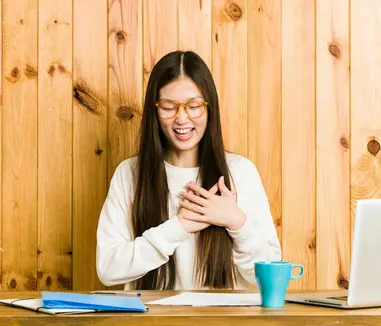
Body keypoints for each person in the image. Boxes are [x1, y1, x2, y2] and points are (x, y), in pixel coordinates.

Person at [96, 50, 281, 290]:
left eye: (194, 106)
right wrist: (179, 226)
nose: (182, 119)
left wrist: (236, 222)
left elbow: (269, 276)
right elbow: (108, 268)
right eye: (168, 106)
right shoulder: (130, 174)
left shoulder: (240, 172)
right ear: (155, 110)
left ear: (209, 107)